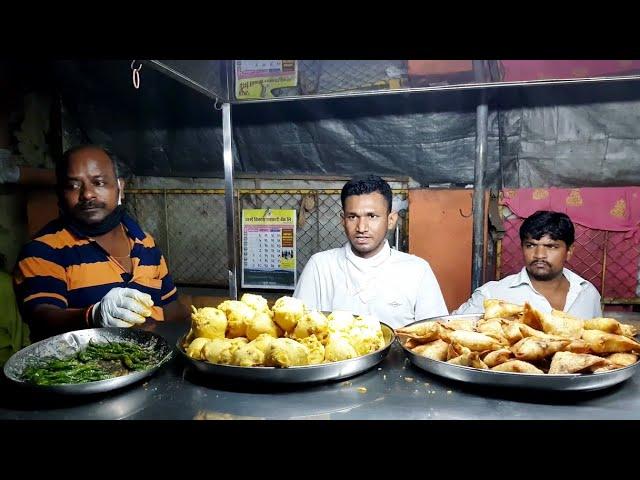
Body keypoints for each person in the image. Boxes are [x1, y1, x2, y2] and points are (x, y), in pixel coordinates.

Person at [13, 144, 190, 342]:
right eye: (73, 186)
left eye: (99, 182)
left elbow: (171, 308)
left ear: (120, 188)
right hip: (86, 370)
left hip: (154, 363)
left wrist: (205, 327)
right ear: (60, 196)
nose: (87, 194)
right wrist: (93, 315)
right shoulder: (43, 250)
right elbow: (42, 317)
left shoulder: (146, 243)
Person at [293, 174, 448, 328]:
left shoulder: (417, 270)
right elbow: (298, 330)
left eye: (372, 216)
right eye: (353, 217)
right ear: (343, 220)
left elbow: (435, 335)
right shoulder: (320, 266)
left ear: (391, 220)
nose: (362, 228)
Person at [454, 210, 602, 318]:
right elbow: (449, 330)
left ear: (569, 251)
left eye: (551, 247)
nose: (539, 255)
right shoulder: (491, 295)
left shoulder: (588, 293)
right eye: (531, 245)